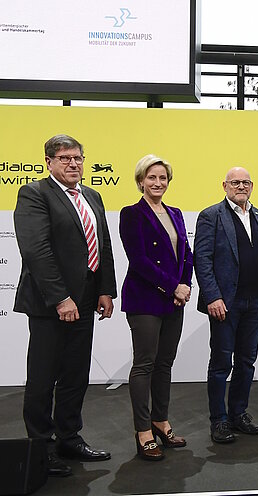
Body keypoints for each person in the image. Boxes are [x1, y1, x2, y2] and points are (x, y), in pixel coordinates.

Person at [14, 134, 116, 477]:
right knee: (43, 378)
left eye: (77, 158)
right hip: (50, 303)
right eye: (64, 158)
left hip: (87, 299)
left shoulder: (92, 195)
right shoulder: (34, 194)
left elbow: (102, 244)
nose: (73, 164)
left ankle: (69, 437)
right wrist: (61, 298)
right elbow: (36, 251)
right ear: (49, 162)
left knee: (76, 374)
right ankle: (41, 447)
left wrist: (105, 290)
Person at [119, 154, 193, 460]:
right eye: (151, 178)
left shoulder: (175, 213)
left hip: (175, 299)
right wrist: (171, 286)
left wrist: (185, 285)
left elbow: (185, 252)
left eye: (162, 178)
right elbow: (139, 261)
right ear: (140, 181)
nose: (157, 183)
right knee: (145, 364)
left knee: (165, 363)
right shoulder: (131, 214)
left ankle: (161, 421)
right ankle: (143, 431)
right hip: (145, 298)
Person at [194, 167, 258, 444]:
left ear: (252, 185)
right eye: (235, 182)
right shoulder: (210, 216)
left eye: (246, 182)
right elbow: (201, 259)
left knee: (247, 362)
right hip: (225, 303)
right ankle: (219, 420)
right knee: (221, 364)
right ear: (224, 185)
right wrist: (213, 296)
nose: (241, 186)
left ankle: (239, 414)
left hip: (254, 302)